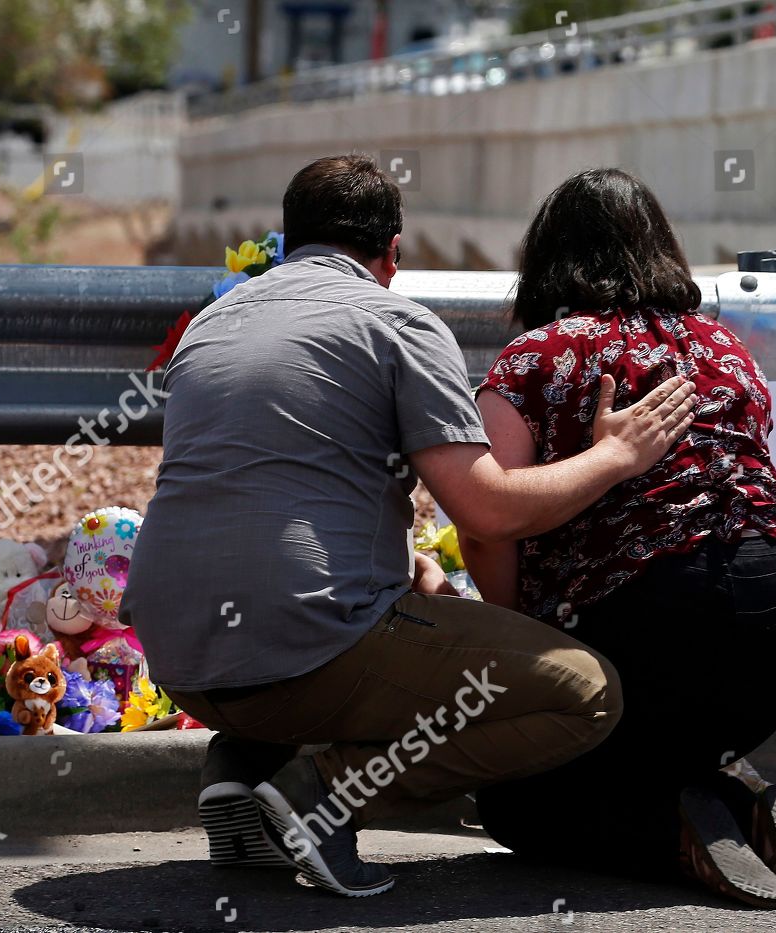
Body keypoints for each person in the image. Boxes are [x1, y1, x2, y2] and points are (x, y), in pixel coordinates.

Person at [122, 154, 697, 898]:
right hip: (303, 653)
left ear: (288, 242)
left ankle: (239, 773)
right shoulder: (395, 321)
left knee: (325, 618)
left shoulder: (211, 322)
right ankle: (325, 794)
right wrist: (616, 455)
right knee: (584, 691)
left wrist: (401, 567)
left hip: (178, 656)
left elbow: (271, 493)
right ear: (393, 252)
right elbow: (487, 509)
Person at [464, 168, 776, 909]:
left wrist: (519, 638)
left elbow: (487, 520)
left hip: (644, 641)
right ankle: (745, 803)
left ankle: (674, 836)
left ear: (547, 258)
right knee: (672, 745)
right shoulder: (728, 349)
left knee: (513, 803)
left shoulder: (537, 358)